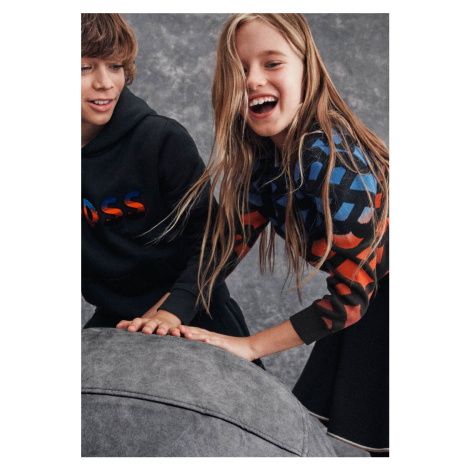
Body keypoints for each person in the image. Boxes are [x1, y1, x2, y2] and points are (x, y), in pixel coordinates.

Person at [142, 14, 389, 456]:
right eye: (239, 69)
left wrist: (249, 346)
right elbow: (225, 248)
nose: (253, 80)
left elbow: (349, 302)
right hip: (375, 298)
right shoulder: (267, 162)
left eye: (272, 63)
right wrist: (168, 314)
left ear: (307, 71)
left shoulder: (332, 164)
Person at [81, 13, 257, 347]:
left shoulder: (161, 140)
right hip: (115, 321)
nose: (105, 83)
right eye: (84, 68)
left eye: (115, 66)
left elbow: (215, 239)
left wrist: (171, 311)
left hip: (193, 312)